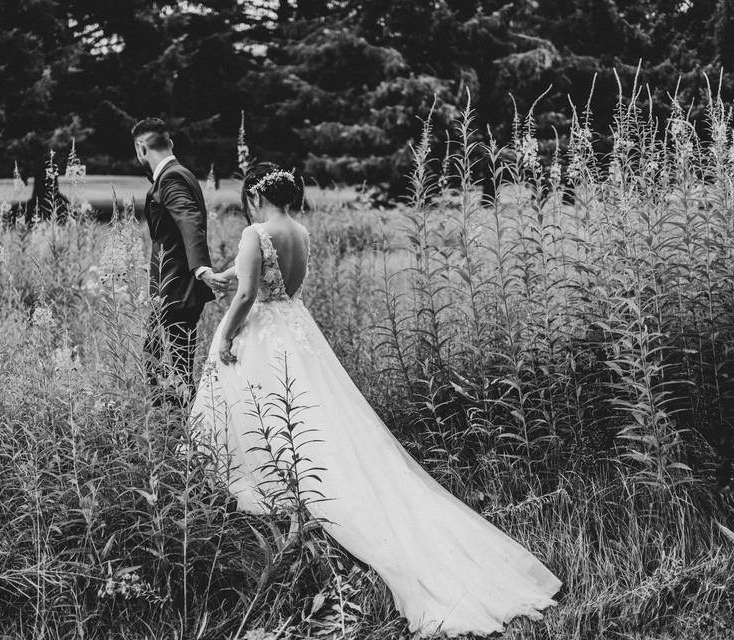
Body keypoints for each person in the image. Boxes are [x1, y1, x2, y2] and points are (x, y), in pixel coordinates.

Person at [189, 162, 562, 637]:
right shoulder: (299, 231)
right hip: (297, 329)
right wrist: (227, 278)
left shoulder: (254, 231)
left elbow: (247, 294)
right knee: (317, 414)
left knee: (260, 409)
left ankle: (279, 497)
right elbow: (269, 280)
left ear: (254, 196)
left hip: (263, 331)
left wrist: (225, 335)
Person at [132, 117, 230, 407]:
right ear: (170, 143)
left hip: (175, 294)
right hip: (172, 292)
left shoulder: (171, 178)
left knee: (173, 374)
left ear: (141, 148)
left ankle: (180, 434)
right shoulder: (182, 173)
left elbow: (189, 219)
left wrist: (201, 268)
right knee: (163, 365)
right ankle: (178, 430)